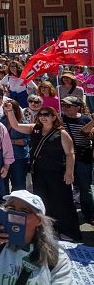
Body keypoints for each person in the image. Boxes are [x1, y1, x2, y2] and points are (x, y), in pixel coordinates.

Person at [5, 104, 80, 240]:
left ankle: (69, 232)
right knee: (43, 201)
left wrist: (69, 172)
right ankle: (49, 229)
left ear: (53, 117)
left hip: (57, 173)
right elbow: (16, 126)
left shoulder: (61, 133)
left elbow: (70, 153)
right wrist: (10, 111)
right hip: (39, 172)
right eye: (41, 114)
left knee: (62, 202)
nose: (43, 117)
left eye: (46, 115)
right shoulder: (35, 129)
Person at [0, 190, 72, 284]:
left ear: (39, 220)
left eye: (24, 212)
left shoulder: (56, 257)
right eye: (11, 208)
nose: (15, 215)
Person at [59, 96, 94, 226]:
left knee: (85, 188)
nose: (64, 108)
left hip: (82, 158)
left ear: (77, 107)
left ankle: (89, 214)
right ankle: (66, 213)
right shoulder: (60, 120)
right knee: (65, 187)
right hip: (64, 157)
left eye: (68, 106)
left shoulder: (86, 120)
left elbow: (86, 133)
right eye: (63, 105)